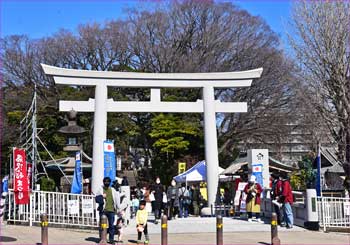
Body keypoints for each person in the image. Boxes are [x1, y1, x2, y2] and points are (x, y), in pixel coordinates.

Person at [95, 177, 122, 244]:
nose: (106, 183)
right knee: (102, 225)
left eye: (108, 182)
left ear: (110, 182)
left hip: (111, 210)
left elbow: (117, 199)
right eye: (105, 182)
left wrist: (119, 209)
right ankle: (102, 238)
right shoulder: (100, 190)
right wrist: (102, 196)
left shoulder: (112, 190)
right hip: (103, 210)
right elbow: (96, 199)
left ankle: (111, 239)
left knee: (111, 226)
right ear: (103, 182)